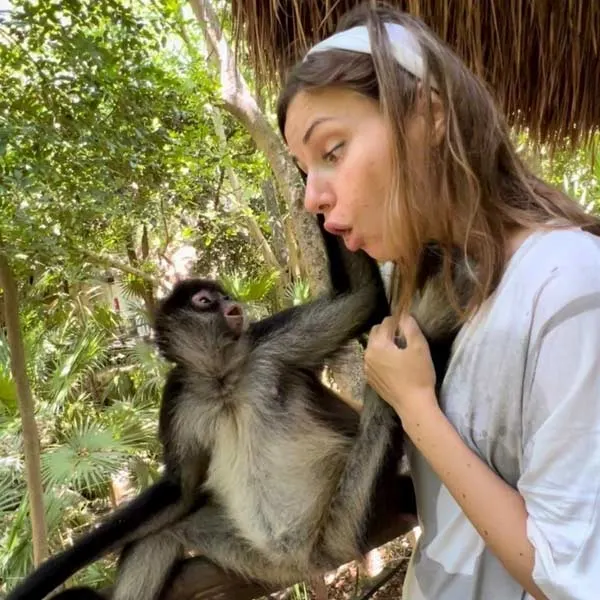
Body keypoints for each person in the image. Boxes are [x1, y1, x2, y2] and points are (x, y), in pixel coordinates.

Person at [276, 3, 600, 599]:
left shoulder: (570, 286)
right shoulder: (440, 288)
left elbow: (571, 575)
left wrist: (415, 407)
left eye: (333, 150)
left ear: (428, 115)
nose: (311, 198)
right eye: (304, 171)